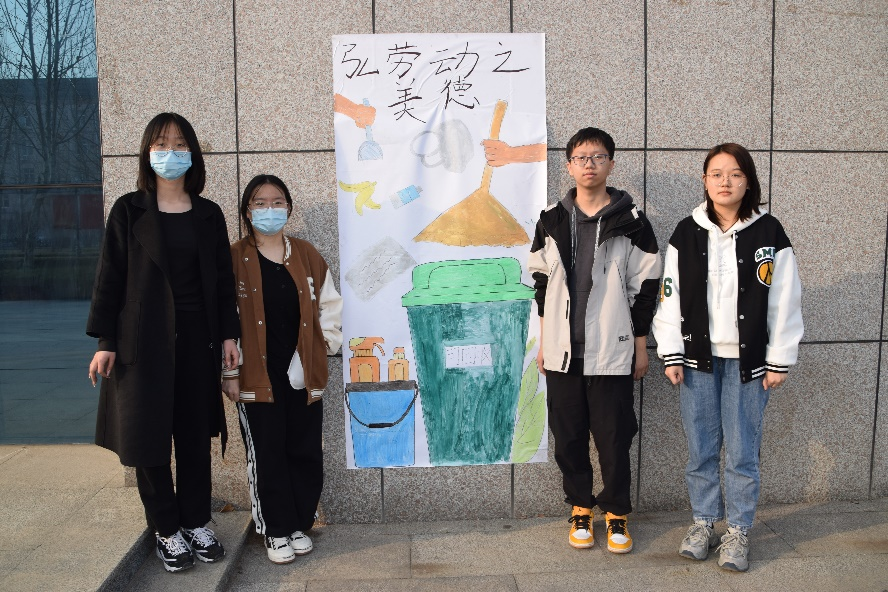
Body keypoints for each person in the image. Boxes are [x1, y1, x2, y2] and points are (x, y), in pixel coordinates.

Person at [86, 113, 240, 573]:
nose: (170, 152)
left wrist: (229, 336)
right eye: (160, 143)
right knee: (147, 439)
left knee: (193, 437)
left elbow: (223, 282)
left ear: (192, 153)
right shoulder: (128, 210)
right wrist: (105, 340)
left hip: (197, 341)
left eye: (179, 144)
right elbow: (110, 277)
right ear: (147, 152)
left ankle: (195, 521)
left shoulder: (209, 214)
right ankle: (166, 528)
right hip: (142, 342)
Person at [652, 143, 803, 572]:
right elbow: (669, 296)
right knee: (700, 448)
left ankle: (738, 530)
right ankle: (703, 522)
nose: (725, 182)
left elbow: (785, 297)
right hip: (696, 359)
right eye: (716, 174)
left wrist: (779, 358)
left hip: (748, 363)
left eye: (735, 174)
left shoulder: (768, 231)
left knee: (741, 451)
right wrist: (671, 353)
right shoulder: (686, 231)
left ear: (748, 182)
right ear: (705, 181)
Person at [528, 127, 661, 553]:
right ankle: (581, 507)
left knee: (614, 437)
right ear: (569, 166)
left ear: (611, 164)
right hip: (563, 352)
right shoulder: (551, 219)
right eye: (581, 158)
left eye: (598, 157)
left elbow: (647, 288)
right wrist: (544, 344)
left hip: (613, 350)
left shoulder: (632, 222)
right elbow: (540, 284)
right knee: (567, 436)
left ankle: (617, 513)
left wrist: (640, 346)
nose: (590, 164)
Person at [221, 174, 342, 565]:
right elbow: (224, 318)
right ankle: (275, 529)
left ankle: (298, 523)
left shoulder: (306, 254)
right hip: (257, 375)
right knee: (267, 453)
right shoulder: (234, 257)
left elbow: (330, 306)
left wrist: (323, 349)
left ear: (288, 208)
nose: (269, 210)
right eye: (260, 203)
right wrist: (229, 373)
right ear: (247, 211)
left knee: (304, 450)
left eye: (277, 202)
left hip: (301, 373)